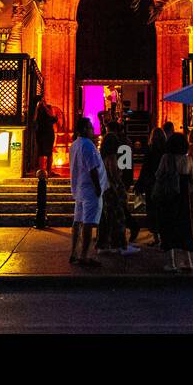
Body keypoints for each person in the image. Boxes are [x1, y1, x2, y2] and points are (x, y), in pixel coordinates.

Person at [154, 130, 193, 271]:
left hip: (168, 198)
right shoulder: (188, 159)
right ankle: (188, 262)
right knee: (184, 228)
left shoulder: (166, 158)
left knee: (168, 228)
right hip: (183, 199)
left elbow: (158, 175)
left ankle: (171, 263)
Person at [97, 120, 139, 255]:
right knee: (118, 215)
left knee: (107, 216)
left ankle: (104, 243)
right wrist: (120, 183)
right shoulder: (115, 152)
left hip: (106, 187)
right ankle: (119, 243)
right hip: (114, 187)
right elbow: (118, 171)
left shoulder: (104, 153)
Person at [68, 117, 105, 266]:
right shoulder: (88, 146)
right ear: (84, 129)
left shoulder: (74, 145)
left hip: (79, 188)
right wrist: (98, 187)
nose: (92, 130)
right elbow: (93, 169)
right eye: (90, 128)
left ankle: (74, 252)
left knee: (77, 221)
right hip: (89, 189)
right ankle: (84, 255)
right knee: (88, 223)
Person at [136, 128, 167, 246]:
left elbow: (145, 168)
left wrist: (140, 183)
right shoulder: (166, 150)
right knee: (162, 210)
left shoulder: (150, 150)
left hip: (151, 183)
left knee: (152, 210)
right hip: (163, 183)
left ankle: (156, 238)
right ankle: (164, 237)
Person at [34, 98, 59, 174]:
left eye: (43, 100)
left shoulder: (48, 107)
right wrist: (37, 108)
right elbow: (34, 119)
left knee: (49, 152)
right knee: (40, 151)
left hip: (48, 132)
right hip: (40, 132)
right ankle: (41, 170)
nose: (42, 102)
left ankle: (49, 170)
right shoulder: (37, 109)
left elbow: (51, 115)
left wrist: (45, 106)